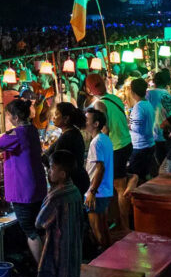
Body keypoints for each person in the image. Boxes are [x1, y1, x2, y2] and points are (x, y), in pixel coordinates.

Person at [0, 99, 48, 264]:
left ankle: (42, 269)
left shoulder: (17, 134)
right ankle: (48, 264)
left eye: (8, 116)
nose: (7, 119)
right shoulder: (30, 129)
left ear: (15, 117)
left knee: (30, 231)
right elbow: (5, 136)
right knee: (39, 229)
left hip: (23, 190)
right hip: (36, 187)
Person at [84, 73, 132, 232]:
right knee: (117, 187)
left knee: (119, 187)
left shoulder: (99, 104)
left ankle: (125, 226)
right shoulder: (115, 98)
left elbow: (104, 128)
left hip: (116, 147)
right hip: (126, 143)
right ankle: (118, 221)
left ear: (89, 89)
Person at [36, 149, 83, 277]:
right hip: (73, 252)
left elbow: (40, 222)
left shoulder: (56, 196)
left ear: (62, 174)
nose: (49, 171)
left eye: (52, 168)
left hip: (58, 253)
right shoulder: (75, 191)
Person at [42, 102, 90, 196]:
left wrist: (43, 157)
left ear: (66, 119)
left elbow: (55, 162)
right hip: (78, 181)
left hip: (70, 184)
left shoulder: (67, 137)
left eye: (56, 114)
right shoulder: (72, 133)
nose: (53, 117)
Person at [83, 108, 114, 249]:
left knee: (97, 231)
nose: (85, 122)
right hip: (104, 190)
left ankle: (103, 257)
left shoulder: (96, 142)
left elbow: (100, 168)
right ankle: (110, 255)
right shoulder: (105, 139)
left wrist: (92, 191)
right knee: (103, 228)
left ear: (95, 124)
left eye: (87, 119)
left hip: (97, 192)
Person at [125, 78, 156, 196]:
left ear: (133, 92)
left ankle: (137, 200)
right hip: (149, 144)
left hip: (140, 146)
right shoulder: (147, 104)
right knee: (144, 175)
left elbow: (137, 128)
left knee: (134, 176)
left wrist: (129, 125)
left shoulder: (138, 107)